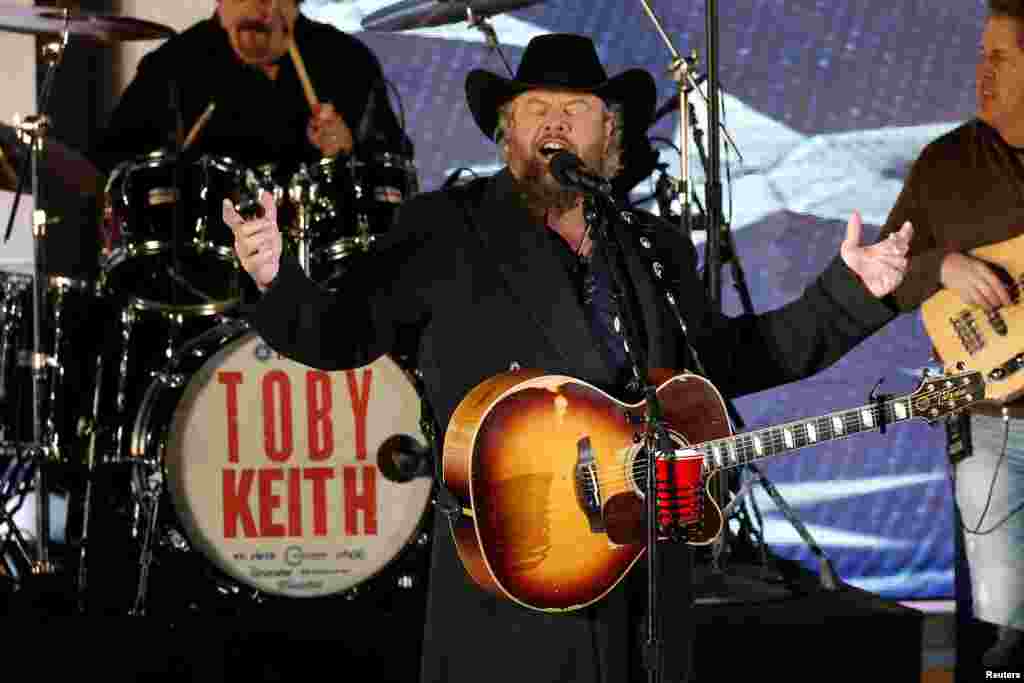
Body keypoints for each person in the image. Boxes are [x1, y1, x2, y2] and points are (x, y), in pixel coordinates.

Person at [225, 33, 912, 683]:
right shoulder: (444, 230)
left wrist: (846, 294)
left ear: (609, 133)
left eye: (575, 109)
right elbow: (337, 334)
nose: (554, 122)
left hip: (641, 585)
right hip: (512, 585)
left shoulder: (655, 246)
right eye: (535, 109)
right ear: (507, 132)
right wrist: (272, 277)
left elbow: (726, 363)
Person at [877, 0, 1024, 675]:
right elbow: (885, 273)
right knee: (1002, 637)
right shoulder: (946, 165)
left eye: (998, 58)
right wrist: (944, 266)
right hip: (991, 422)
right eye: (979, 57)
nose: (981, 73)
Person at [92, 0, 411, 175]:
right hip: (204, 277)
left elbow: (394, 175)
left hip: (317, 278)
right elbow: (113, 168)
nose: (264, 6)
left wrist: (348, 152)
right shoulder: (172, 68)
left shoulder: (346, 61)